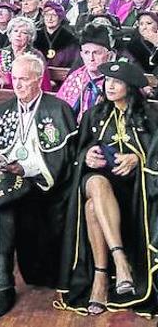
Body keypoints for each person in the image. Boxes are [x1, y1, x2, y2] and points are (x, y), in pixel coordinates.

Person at [57, 61, 158, 316]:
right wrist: (88, 155)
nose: (110, 85)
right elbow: (79, 151)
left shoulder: (150, 117)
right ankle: (120, 263)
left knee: (92, 207)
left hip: (136, 190)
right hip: (99, 180)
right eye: (108, 81)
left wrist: (138, 159)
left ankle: (101, 279)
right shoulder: (96, 114)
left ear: (131, 87)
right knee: (95, 182)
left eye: (118, 81)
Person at [0, 53, 77, 318]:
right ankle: (1, 284)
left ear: (39, 80)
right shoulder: (4, 109)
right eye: (15, 78)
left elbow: (62, 160)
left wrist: (25, 169)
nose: (18, 85)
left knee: (5, 198)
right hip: (10, 180)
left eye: (24, 79)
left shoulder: (57, 109)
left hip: (44, 183)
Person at [57, 25, 114, 123]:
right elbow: (59, 110)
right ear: (81, 55)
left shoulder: (116, 81)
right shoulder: (74, 79)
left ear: (109, 55)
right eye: (87, 52)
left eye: (96, 53)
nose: (91, 58)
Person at [0, 17, 51, 92]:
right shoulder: (1, 53)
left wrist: (7, 78)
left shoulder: (36, 56)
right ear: (10, 35)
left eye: (24, 32)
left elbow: (39, 82)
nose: (18, 35)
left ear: (29, 38)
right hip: (0, 97)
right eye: (15, 31)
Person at [34, 1, 80, 68]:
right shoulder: (35, 36)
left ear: (60, 17)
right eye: (47, 15)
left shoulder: (69, 38)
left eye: (54, 15)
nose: (50, 18)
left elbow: (73, 61)